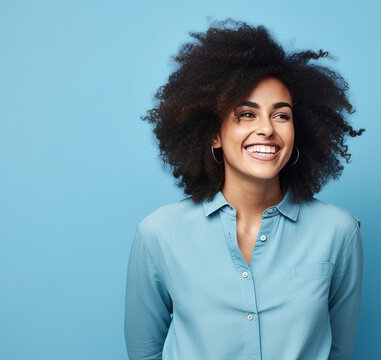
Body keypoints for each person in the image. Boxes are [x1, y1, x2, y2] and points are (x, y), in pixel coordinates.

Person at [124, 18, 366, 360]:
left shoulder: (338, 232)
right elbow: (144, 352)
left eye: (281, 115)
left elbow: (339, 351)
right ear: (214, 134)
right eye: (246, 115)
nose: (267, 129)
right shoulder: (158, 234)